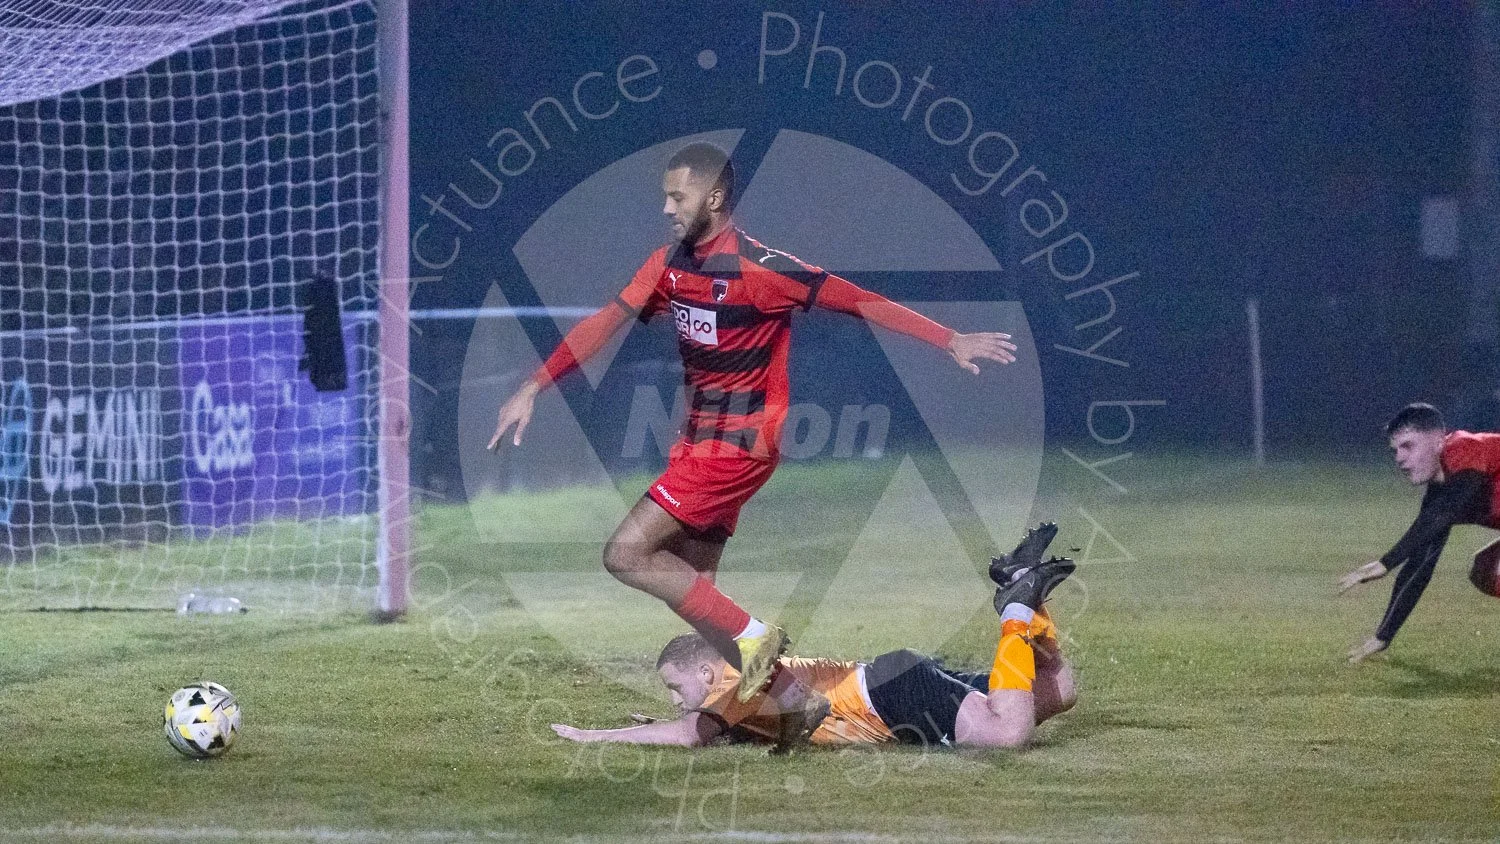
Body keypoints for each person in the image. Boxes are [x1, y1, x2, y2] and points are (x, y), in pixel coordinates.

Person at [488, 141, 1019, 726]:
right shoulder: (668, 265)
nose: (666, 207)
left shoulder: (763, 270)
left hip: (737, 446)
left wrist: (949, 339)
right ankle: (794, 706)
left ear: (714, 197)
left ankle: (759, 641)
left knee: (625, 554)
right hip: (698, 442)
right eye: (664, 195)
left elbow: (859, 300)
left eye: (677, 195)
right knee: (701, 595)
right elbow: (604, 323)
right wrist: (535, 385)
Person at [550, 524, 1076, 750]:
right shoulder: (740, 694)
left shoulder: (740, 684)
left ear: (708, 671)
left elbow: (688, 735)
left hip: (889, 697)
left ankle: (1015, 609)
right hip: (893, 675)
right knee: (1054, 692)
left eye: (675, 687)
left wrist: (592, 737)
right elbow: (700, 723)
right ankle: (1025, 595)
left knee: (1006, 736)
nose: (675, 701)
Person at [1338, 403, 1500, 663]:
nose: (1399, 459)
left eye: (1408, 446)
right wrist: (1383, 635)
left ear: (1438, 443)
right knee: (1485, 571)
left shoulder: (1465, 449)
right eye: (1396, 450)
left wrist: (1385, 562)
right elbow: (1420, 565)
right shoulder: (1442, 491)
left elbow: (1444, 513)